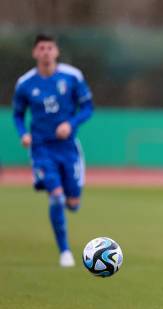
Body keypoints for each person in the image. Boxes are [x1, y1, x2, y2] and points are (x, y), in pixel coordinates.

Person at [12, 34, 94, 267]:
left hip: (68, 149)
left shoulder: (72, 76)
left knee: (73, 203)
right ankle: (65, 252)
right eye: (41, 48)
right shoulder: (25, 83)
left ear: (56, 51)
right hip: (41, 149)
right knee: (56, 198)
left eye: (50, 48)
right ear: (35, 53)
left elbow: (88, 107)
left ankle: (71, 199)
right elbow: (18, 114)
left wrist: (71, 124)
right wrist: (23, 134)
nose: (46, 52)